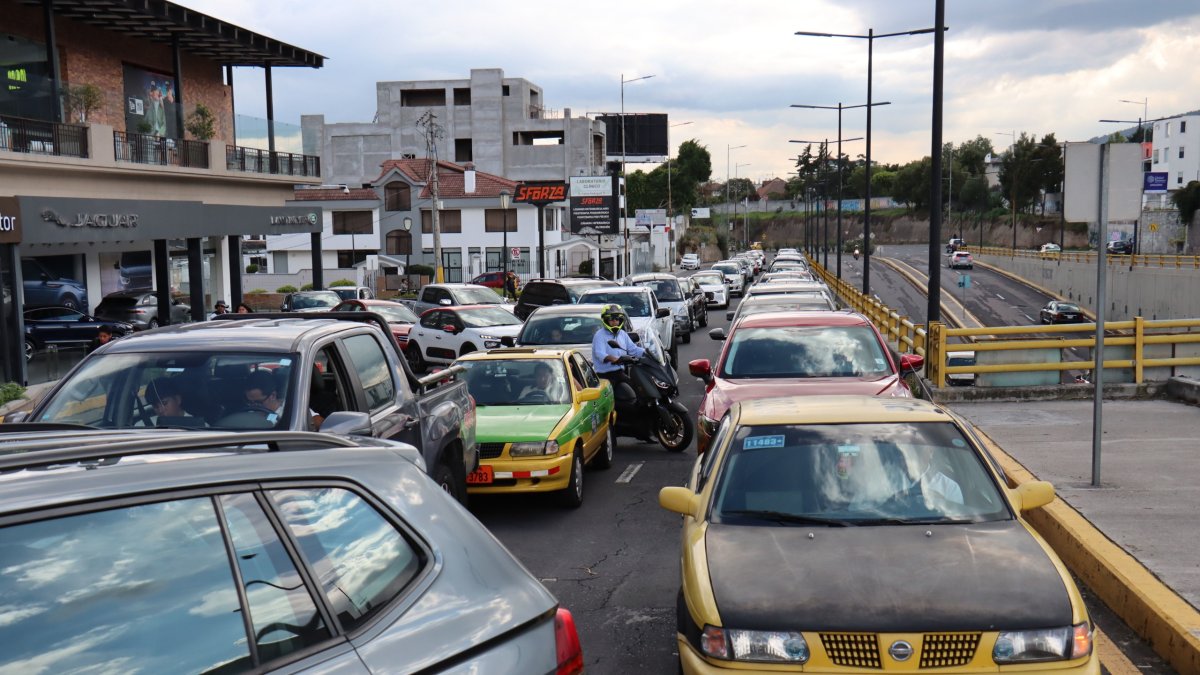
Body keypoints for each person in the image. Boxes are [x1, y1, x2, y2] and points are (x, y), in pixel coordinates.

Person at [591, 304, 645, 391]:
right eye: (611, 319)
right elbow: (600, 354)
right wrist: (615, 359)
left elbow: (633, 350)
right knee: (611, 400)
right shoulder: (599, 335)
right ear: (605, 320)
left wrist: (648, 352)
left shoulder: (622, 334)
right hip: (605, 376)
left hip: (619, 373)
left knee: (636, 390)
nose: (614, 321)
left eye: (617, 319)